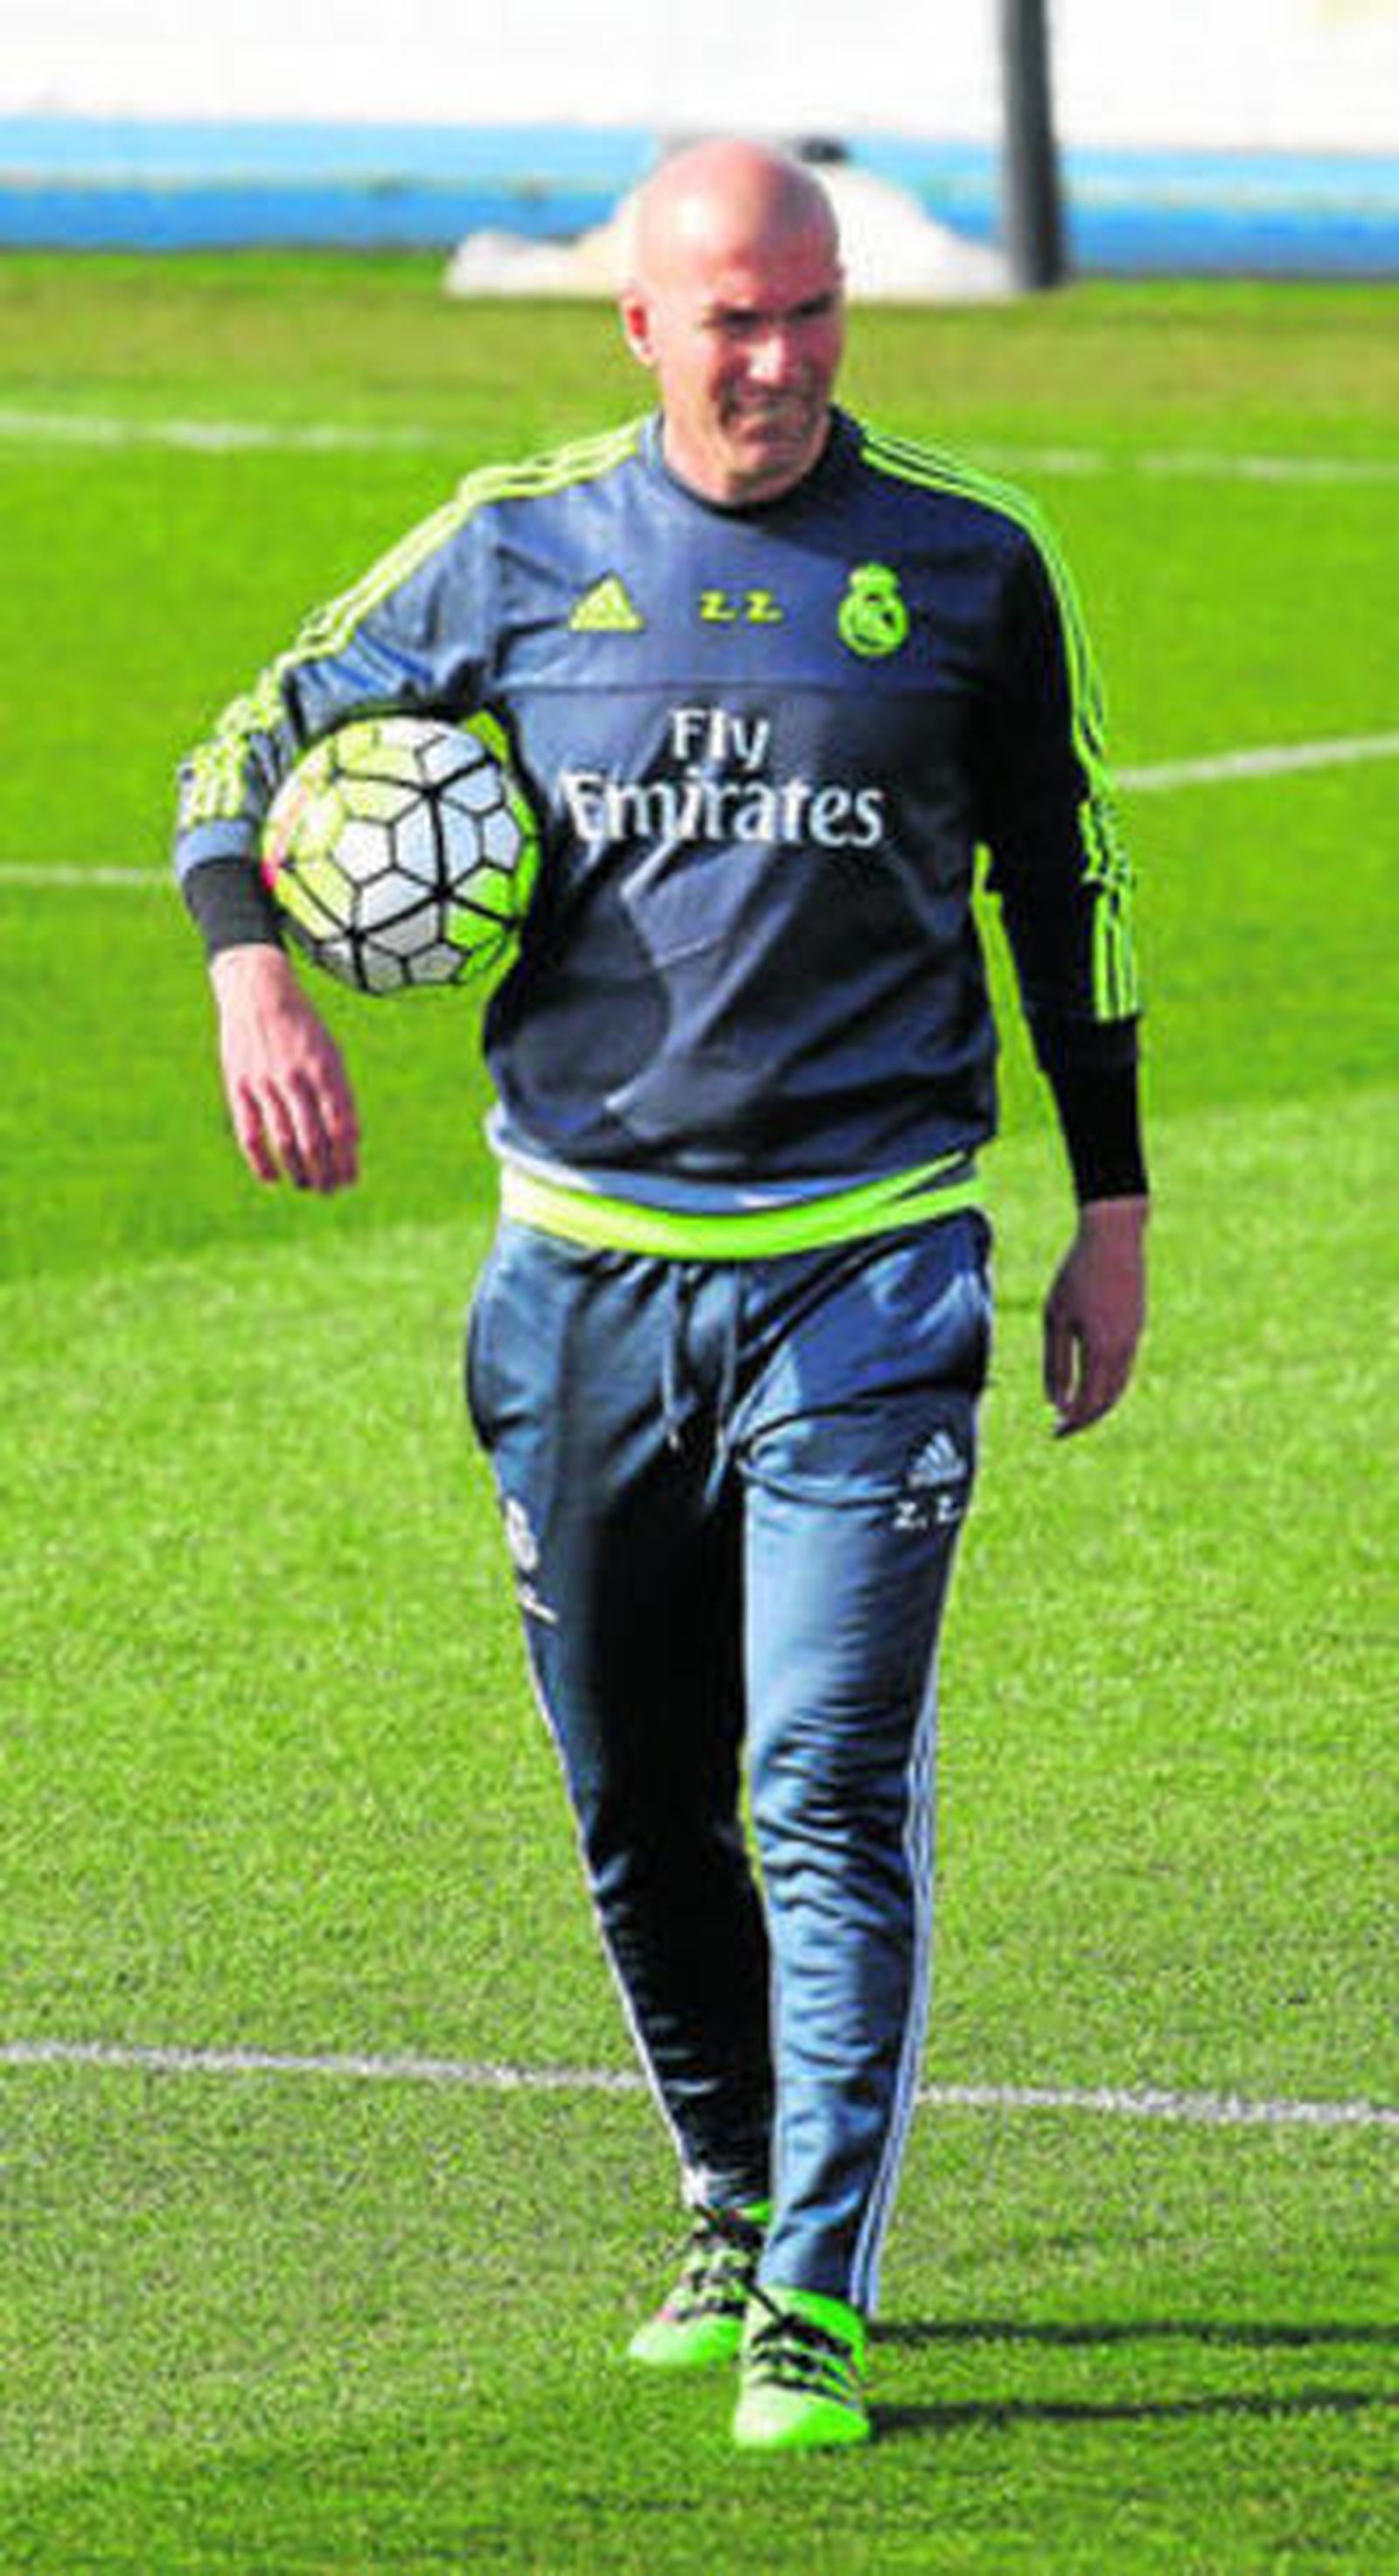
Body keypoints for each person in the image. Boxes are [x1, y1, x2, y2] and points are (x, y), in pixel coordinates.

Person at [174, 138, 1149, 2453]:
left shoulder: (973, 560)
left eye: (814, 311)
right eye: (735, 319)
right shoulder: (509, 550)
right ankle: (728, 2191)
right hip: (582, 1282)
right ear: (640, 327)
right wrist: (252, 969)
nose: (781, 362)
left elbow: (1067, 877)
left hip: (869, 1275)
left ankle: (816, 2285)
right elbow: (238, 751)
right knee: (635, 1790)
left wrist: (1110, 1201)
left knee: (822, 1774)